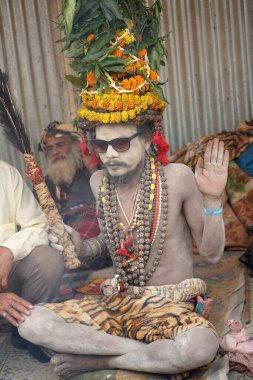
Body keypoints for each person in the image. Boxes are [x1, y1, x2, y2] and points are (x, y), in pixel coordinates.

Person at [18, 1, 229, 377]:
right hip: (119, 300)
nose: (110, 155)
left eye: (121, 143)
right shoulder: (100, 182)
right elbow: (106, 246)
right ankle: (138, 355)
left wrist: (213, 200)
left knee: (201, 345)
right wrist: (80, 246)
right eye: (101, 146)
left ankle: (99, 358)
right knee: (33, 323)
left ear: (148, 138)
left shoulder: (176, 177)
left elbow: (213, 255)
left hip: (170, 305)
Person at [0, 160, 64, 358]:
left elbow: (38, 226)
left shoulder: (6, 173)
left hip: (5, 278)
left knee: (47, 259)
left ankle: (27, 330)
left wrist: (9, 250)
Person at [39, 121, 100, 239]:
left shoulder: (91, 170)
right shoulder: (45, 183)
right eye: (50, 148)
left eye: (60, 145)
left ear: (75, 145)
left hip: (88, 240)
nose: (55, 152)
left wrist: (93, 170)